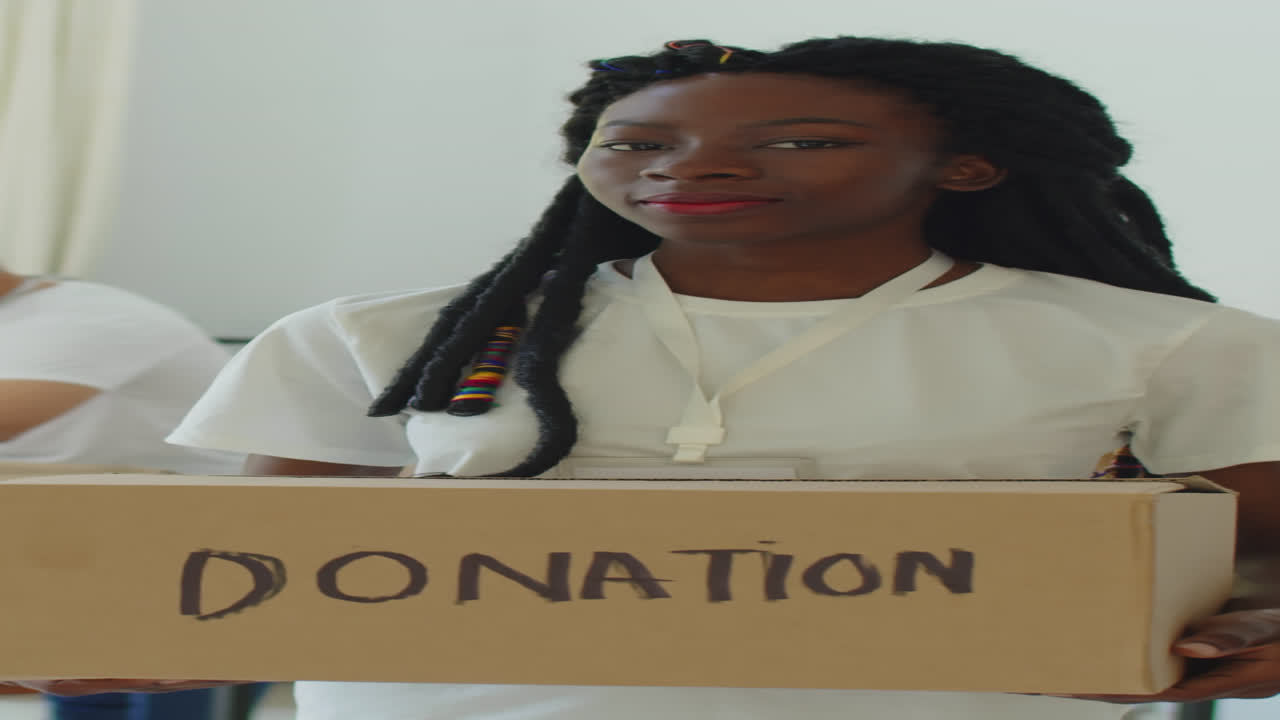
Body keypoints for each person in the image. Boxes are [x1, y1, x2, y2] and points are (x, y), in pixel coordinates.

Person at [22, 36, 1280, 719]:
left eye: (802, 139)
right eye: (637, 140)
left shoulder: (1163, 345)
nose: (685, 166)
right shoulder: (379, 335)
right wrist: (115, 637)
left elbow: (1259, 564)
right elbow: (257, 567)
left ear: (968, 167)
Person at [0, 266, 267, 719]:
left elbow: (10, 419)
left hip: (201, 541)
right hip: (87, 538)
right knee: (81, 684)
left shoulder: (88, 317)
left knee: (161, 689)